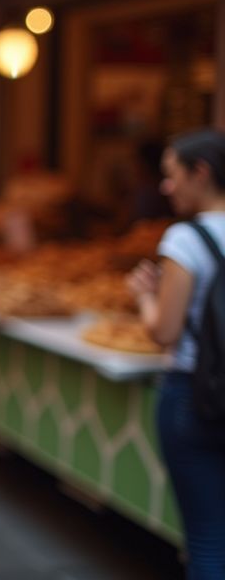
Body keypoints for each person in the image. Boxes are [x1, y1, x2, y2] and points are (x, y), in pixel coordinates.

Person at [126, 129, 225, 580]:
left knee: (207, 539)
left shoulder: (185, 239)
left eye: (171, 176)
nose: (165, 187)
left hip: (193, 394)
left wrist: (145, 296)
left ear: (200, 173)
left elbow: (164, 331)